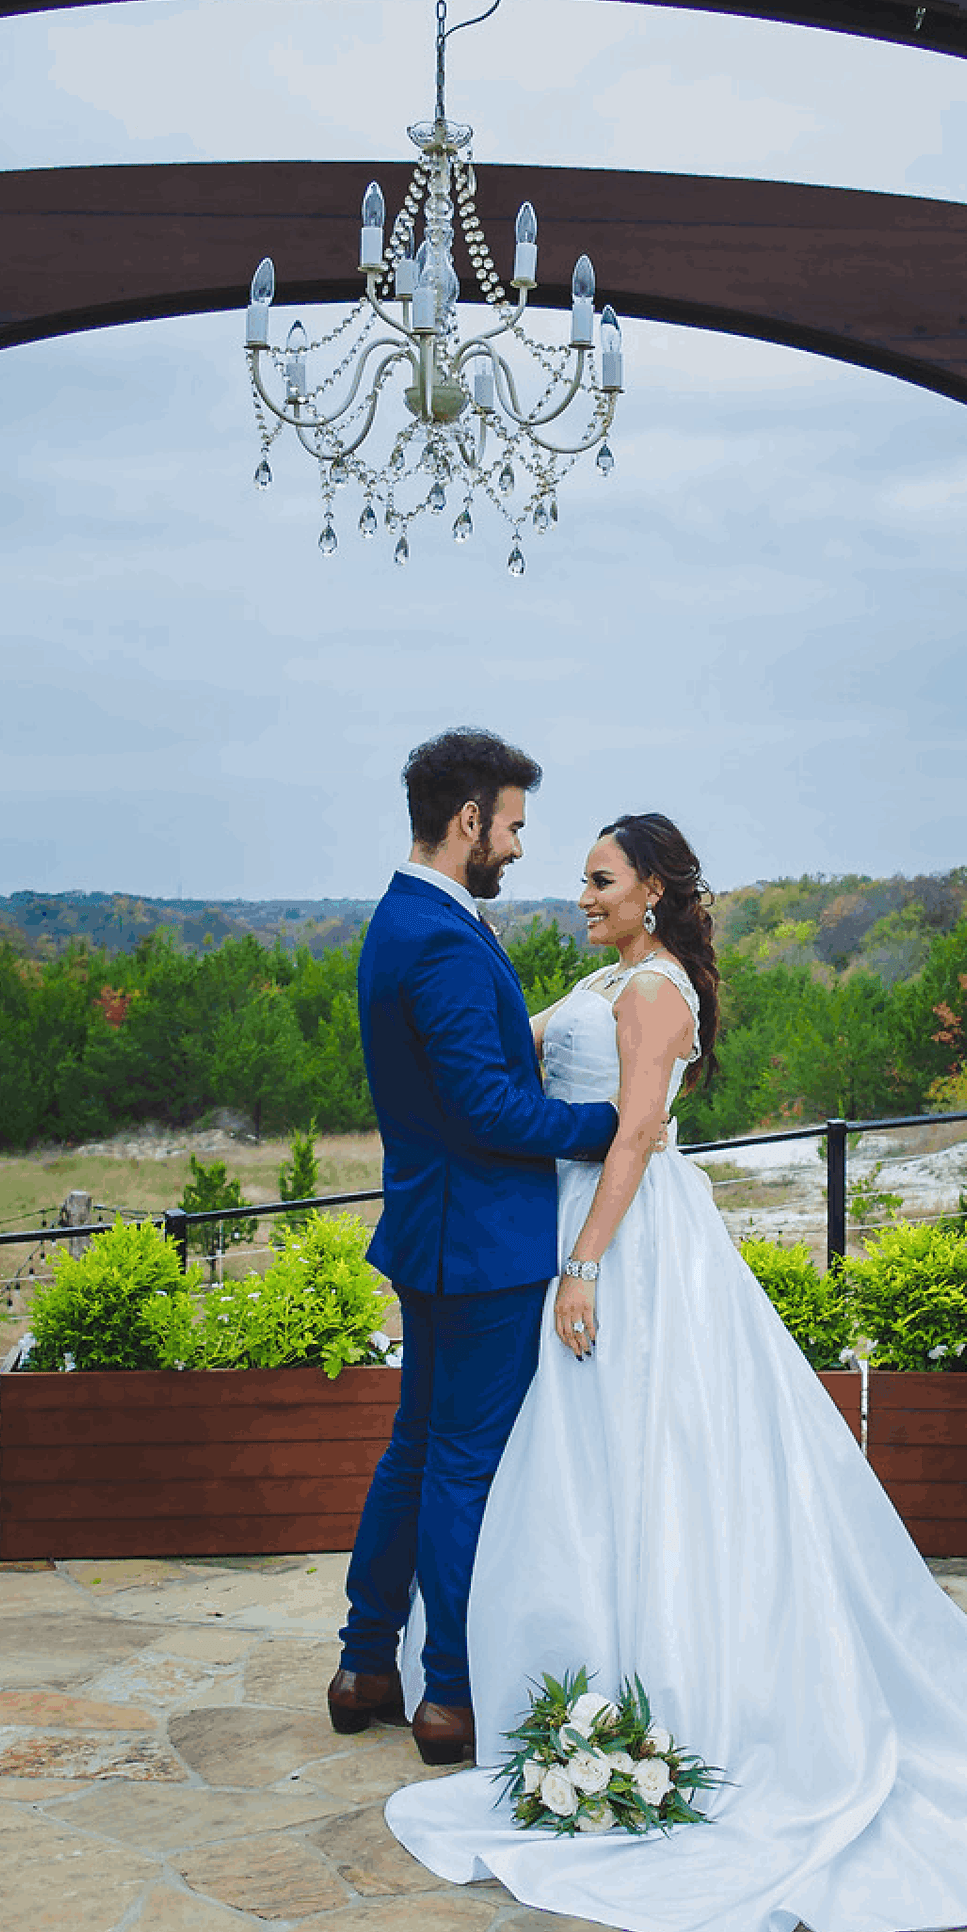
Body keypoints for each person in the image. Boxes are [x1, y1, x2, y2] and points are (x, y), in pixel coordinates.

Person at [383, 812, 967, 1932]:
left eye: (602, 879)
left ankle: (675, 1688)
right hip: (574, 1225)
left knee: (659, 1454)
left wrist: (582, 1268)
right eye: (580, 876)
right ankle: (585, 1671)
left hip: (624, 1244)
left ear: (654, 889)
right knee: (579, 1463)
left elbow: (630, 1137)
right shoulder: (605, 980)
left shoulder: (655, 992)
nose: (583, 891)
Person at [327, 729, 619, 1766]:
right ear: (467, 822)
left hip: (434, 1233)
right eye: (513, 827)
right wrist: (611, 1127)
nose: (517, 848)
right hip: (480, 1247)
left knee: (415, 1448)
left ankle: (366, 1663)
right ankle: (446, 1691)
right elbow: (489, 1109)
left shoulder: (404, 918)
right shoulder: (445, 939)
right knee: (460, 1464)